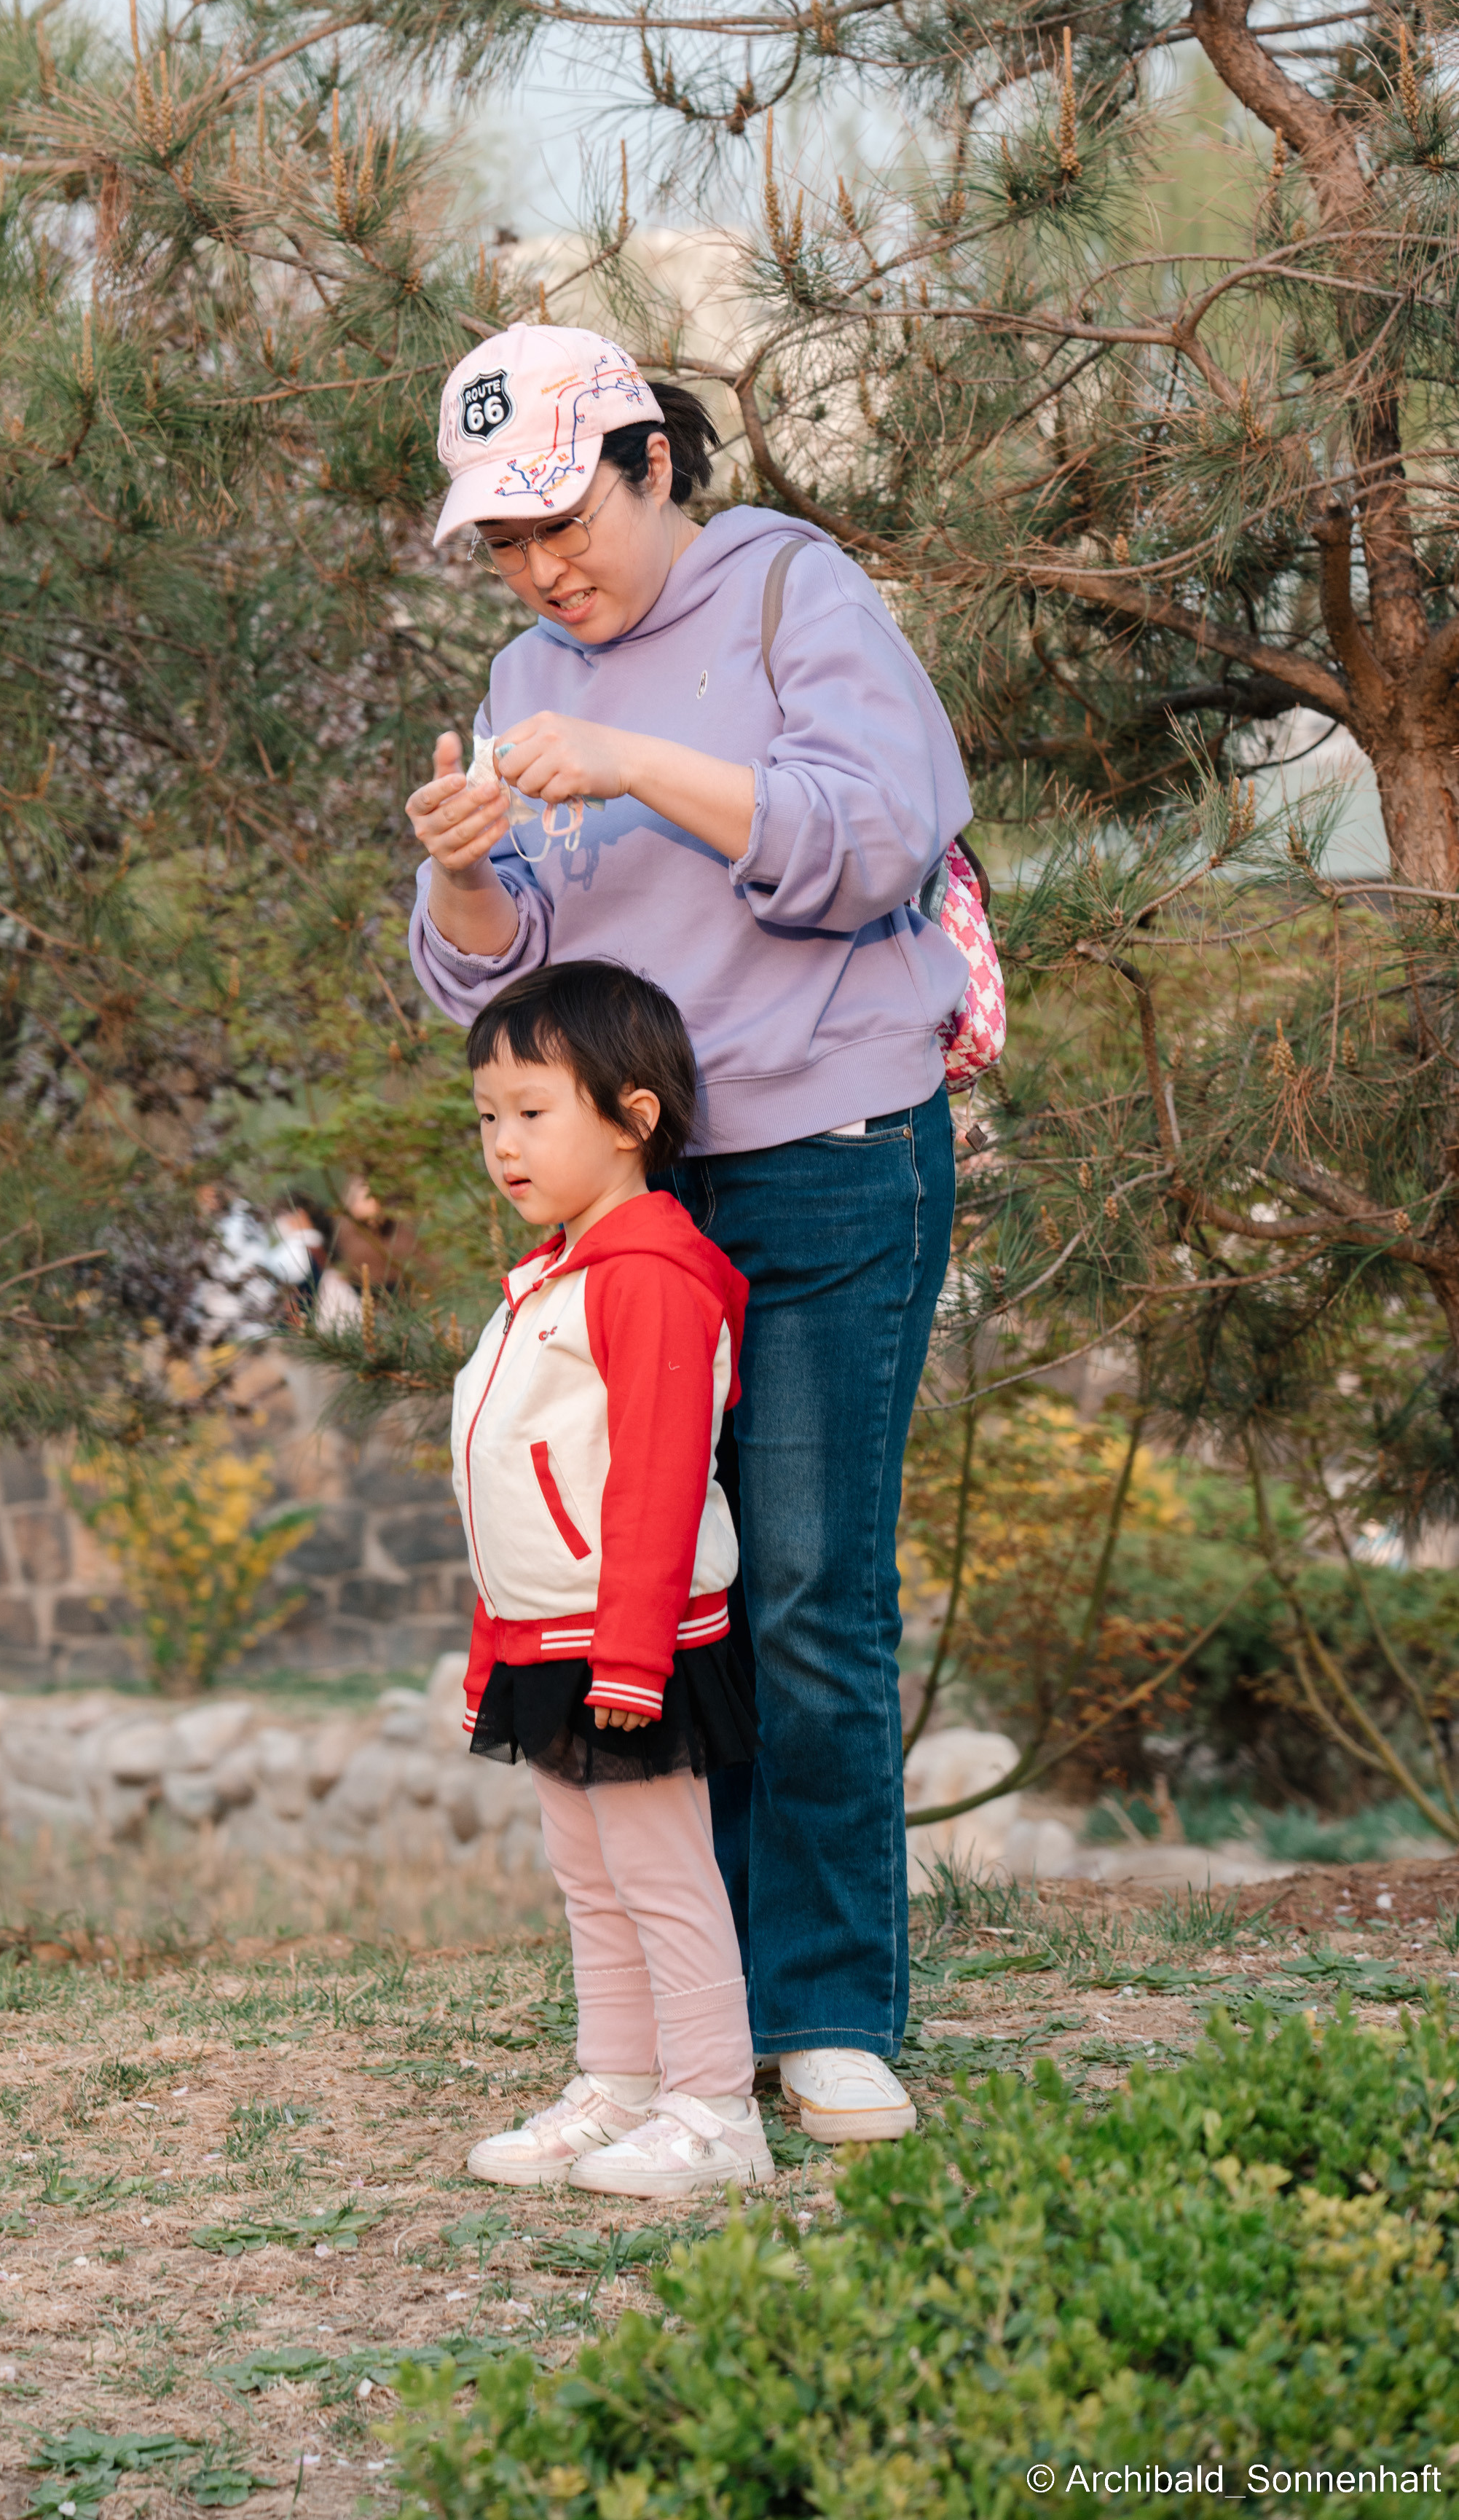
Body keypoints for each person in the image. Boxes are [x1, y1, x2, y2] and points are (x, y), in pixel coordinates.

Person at [406, 321, 972, 2143]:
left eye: (563, 514)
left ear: (653, 462)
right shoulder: (520, 671)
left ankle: (825, 2006)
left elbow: (871, 841)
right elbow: (520, 992)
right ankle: (677, 2030)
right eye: (503, 539)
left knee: (805, 1587)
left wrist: (633, 760)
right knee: (656, 1593)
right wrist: (464, 865)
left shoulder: (790, 593)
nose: (540, 566)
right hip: (639, 1202)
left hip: (824, 1147)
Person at [453, 959, 768, 2199]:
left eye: (534, 1111)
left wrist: (631, 1660)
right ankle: (619, 2084)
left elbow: (651, 1478)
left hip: (632, 1642)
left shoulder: (647, 1275)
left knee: (659, 1873)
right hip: (549, 1636)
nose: (504, 1142)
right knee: (588, 1876)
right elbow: (507, 1489)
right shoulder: (552, 1278)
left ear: (634, 1116)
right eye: (487, 1116)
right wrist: (493, 1651)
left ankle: (714, 2114)